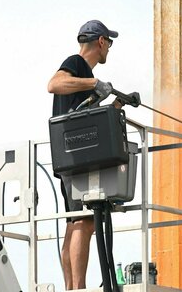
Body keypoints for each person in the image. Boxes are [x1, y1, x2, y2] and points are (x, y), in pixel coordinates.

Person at [47, 19, 117, 290]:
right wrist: (93, 82)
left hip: (73, 156)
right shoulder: (76, 65)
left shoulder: (84, 79)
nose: (109, 48)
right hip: (76, 157)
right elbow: (54, 84)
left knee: (75, 222)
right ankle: (77, 288)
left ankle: (71, 287)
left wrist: (117, 103)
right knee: (84, 222)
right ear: (100, 41)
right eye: (108, 43)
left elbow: (85, 112)